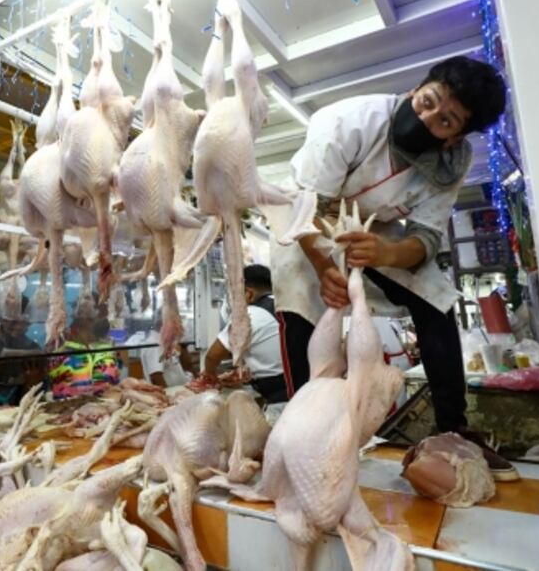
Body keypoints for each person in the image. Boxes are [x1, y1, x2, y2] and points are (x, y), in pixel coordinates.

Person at [270, 56, 518, 480]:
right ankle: (303, 429)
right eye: (428, 101)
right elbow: (303, 203)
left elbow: (424, 240)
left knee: (437, 297)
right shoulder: (350, 120)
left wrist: (384, 254)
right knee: (300, 307)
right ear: (417, 87)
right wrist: (322, 263)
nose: (427, 117)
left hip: (375, 229)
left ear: (453, 139)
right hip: (304, 219)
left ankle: (453, 428)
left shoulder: (450, 164)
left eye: (445, 121)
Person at [202, 265, 288, 403]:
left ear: (249, 294)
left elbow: (212, 356)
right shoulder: (285, 306)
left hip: (278, 396)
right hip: (301, 388)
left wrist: (210, 376)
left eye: (235, 296)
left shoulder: (250, 315)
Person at [48, 312, 121, 399]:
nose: (92, 333)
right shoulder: (64, 355)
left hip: (94, 405)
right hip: (71, 406)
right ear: (76, 329)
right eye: (88, 327)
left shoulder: (101, 351)